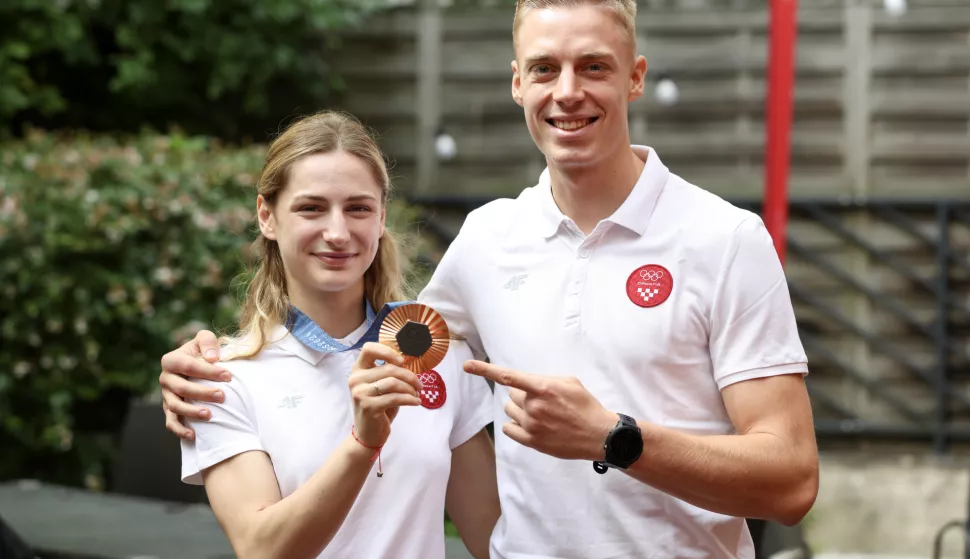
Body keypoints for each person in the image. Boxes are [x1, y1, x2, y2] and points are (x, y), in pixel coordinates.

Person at [159, 1, 819, 557]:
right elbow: (374, 331)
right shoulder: (486, 241)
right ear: (516, 83)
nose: (567, 92)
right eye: (543, 69)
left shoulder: (724, 239)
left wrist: (616, 438)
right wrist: (200, 364)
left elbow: (791, 484)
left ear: (635, 78)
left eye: (594, 66)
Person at [172, 111, 499, 559]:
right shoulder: (222, 381)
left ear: (382, 216)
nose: (338, 232)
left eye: (358, 208)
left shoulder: (434, 353)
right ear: (267, 216)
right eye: (311, 208)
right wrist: (363, 443)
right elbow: (261, 550)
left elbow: (495, 539)